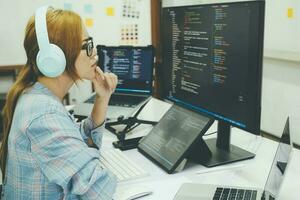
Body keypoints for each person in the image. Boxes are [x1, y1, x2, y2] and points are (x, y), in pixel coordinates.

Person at [0, 6, 118, 199]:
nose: (94, 51)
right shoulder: (44, 116)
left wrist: (102, 98)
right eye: (87, 45)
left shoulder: (36, 95)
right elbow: (98, 191)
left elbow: (77, 139)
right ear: (56, 58)